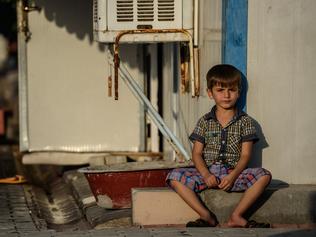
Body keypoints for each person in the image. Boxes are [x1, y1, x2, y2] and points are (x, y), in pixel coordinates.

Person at [166, 64, 272, 228]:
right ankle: (206, 216)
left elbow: (245, 155)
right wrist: (206, 175)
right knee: (174, 176)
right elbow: (196, 154)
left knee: (264, 175)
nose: (227, 95)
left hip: (234, 174)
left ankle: (236, 216)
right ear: (210, 93)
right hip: (208, 174)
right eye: (220, 90)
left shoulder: (246, 122)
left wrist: (233, 176)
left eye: (232, 90)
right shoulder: (204, 122)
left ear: (239, 92)